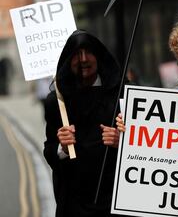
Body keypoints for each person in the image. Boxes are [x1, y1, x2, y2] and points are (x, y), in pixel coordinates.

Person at [43, 30, 122, 217]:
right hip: (75, 203)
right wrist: (62, 147)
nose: (83, 59)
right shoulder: (57, 101)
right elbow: (49, 150)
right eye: (77, 55)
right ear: (68, 60)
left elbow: (143, 148)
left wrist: (121, 142)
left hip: (114, 201)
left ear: (98, 56)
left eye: (88, 52)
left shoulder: (121, 93)